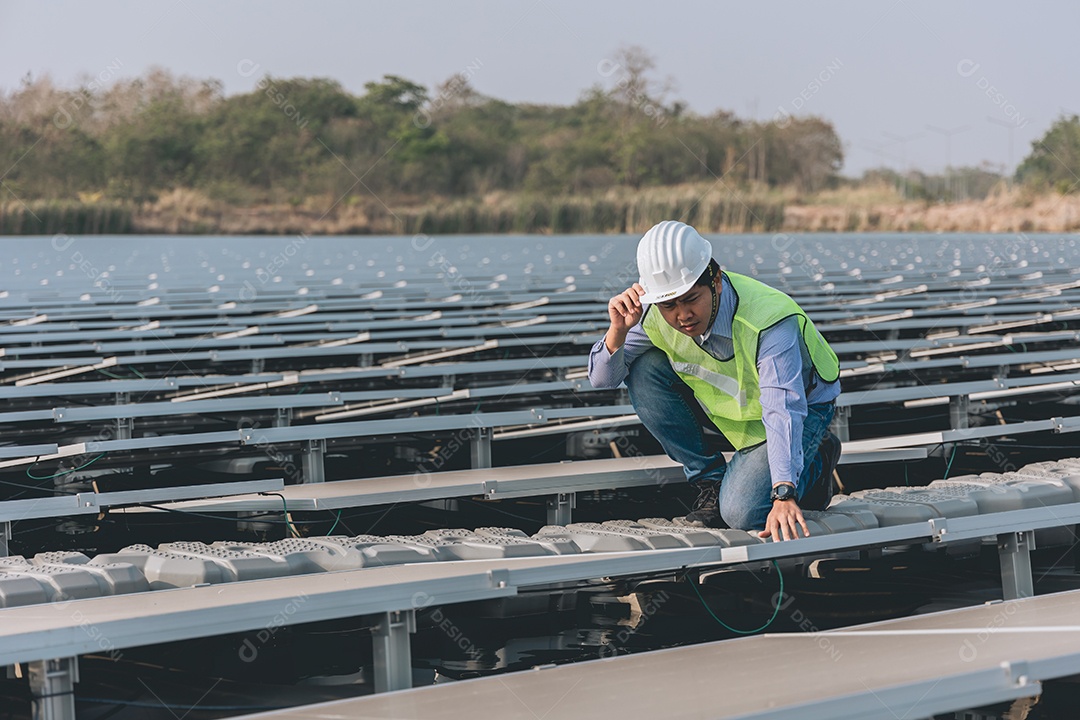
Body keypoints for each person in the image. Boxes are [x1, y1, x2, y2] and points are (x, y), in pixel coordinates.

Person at [589, 220, 842, 541]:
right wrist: (618, 331)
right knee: (642, 367)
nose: (682, 315)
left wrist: (784, 493)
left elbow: (784, 409)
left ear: (717, 281)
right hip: (737, 412)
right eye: (669, 304)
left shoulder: (769, 320)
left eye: (691, 299)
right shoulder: (652, 315)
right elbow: (602, 380)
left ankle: (816, 459)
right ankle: (709, 479)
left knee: (743, 513)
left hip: (801, 413)